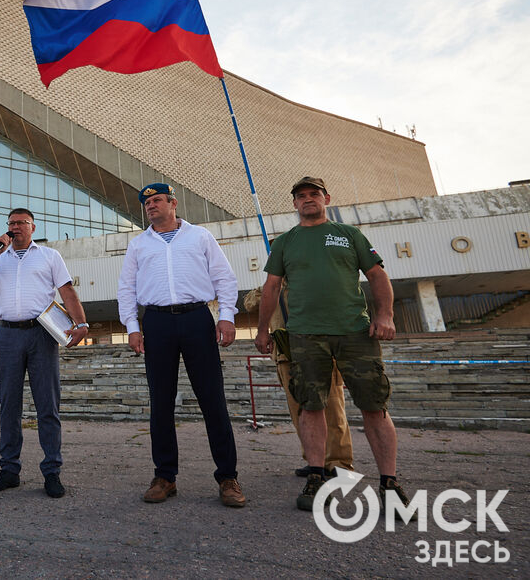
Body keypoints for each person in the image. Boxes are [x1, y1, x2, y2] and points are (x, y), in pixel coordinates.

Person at [255, 176, 409, 512]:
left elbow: (378, 276)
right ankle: (316, 474)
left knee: (374, 405)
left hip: (355, 332)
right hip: (306, 335)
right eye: (301, 196)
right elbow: (271, 288)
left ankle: (389, 482)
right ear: (294, 204)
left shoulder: (348, 235)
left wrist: (385, 316)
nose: (308, 199)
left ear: (326, 198)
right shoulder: (284, 242)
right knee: (311, 405)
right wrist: (263, 330)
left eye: (314, 194)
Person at [116, 183, 246, 508]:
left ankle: (228, 477)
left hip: (197, 319)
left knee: (212, 399)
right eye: (146, 202)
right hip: (157, 323)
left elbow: (224, 278)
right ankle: (165, 476)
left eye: (157, 200)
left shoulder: (200, 236)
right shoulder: (138, 245)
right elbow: (126, 288)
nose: (150, 205)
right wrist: (132, 327)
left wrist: (227, 316)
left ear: (173, 203)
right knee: (160, 402)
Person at [0, 208, 89, 498]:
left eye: (21, 223)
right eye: (11, 224)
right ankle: (9, 470)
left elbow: (67, 291)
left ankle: (52, 472)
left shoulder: (49, 256)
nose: (15, 228)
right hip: (8, 334)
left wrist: (82, 323)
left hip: (41, 334)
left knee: (47, 405)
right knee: (9, 405)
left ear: (33, 227)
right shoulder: (0, 258)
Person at [243, 286, 353, 477]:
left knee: (333, 409)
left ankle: (339, 462)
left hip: (321, 351)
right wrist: (271, 286)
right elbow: (249, 304)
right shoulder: (272, 287)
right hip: (287, 354)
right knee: (299, 412)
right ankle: (314, 461)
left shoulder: (310, 278)